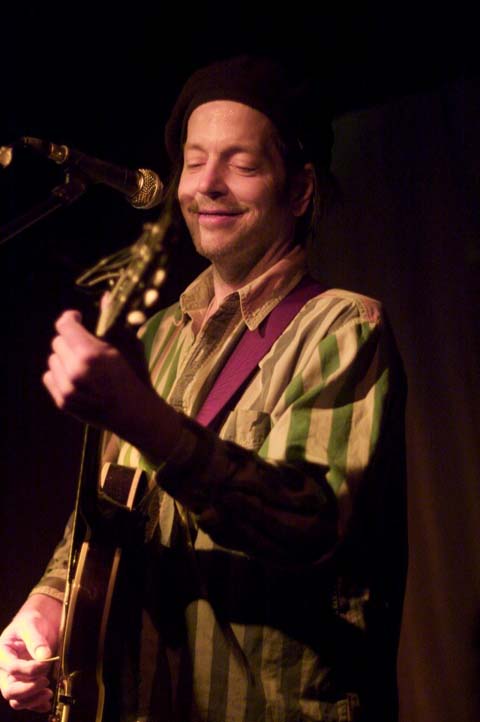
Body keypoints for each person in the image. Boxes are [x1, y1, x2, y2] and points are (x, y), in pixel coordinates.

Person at [0, 56, 407, 721]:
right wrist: (45, 611)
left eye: (242, 165)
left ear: (299, 191)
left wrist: (147, 422)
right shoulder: (157, 337)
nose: (208, 186)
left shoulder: (342, 326)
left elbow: (307, 524)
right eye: (194, 163)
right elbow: (103, 518)